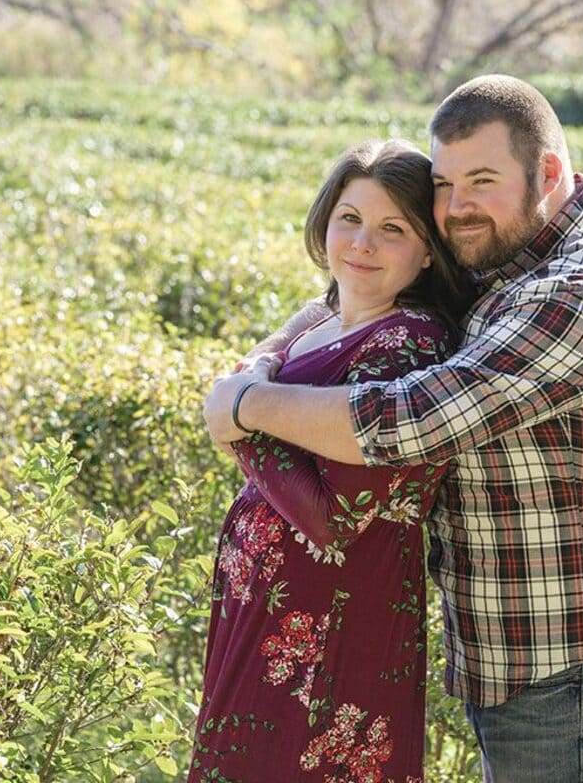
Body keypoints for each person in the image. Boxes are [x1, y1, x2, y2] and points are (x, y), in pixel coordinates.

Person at [204, 74, 583, 782]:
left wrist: (246, 408)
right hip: (533, 666)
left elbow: (410, 420)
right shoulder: (516, 256)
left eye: (482, 181)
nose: (457, 207)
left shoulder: (579, 292)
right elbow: (339, 307)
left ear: (547, 172)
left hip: (582, 672)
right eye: (444, 183)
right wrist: (269, 358)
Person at [187, 138, 475, 783]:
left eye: (392, 229)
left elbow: (333, 517)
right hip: (270, 611)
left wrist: (238, 423)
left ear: (428, 251)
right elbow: (276, 347)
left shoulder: (407, 343)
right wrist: (254, 371)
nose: (362, 244)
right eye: (350, 218)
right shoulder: (328, 315)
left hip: (332, 619)